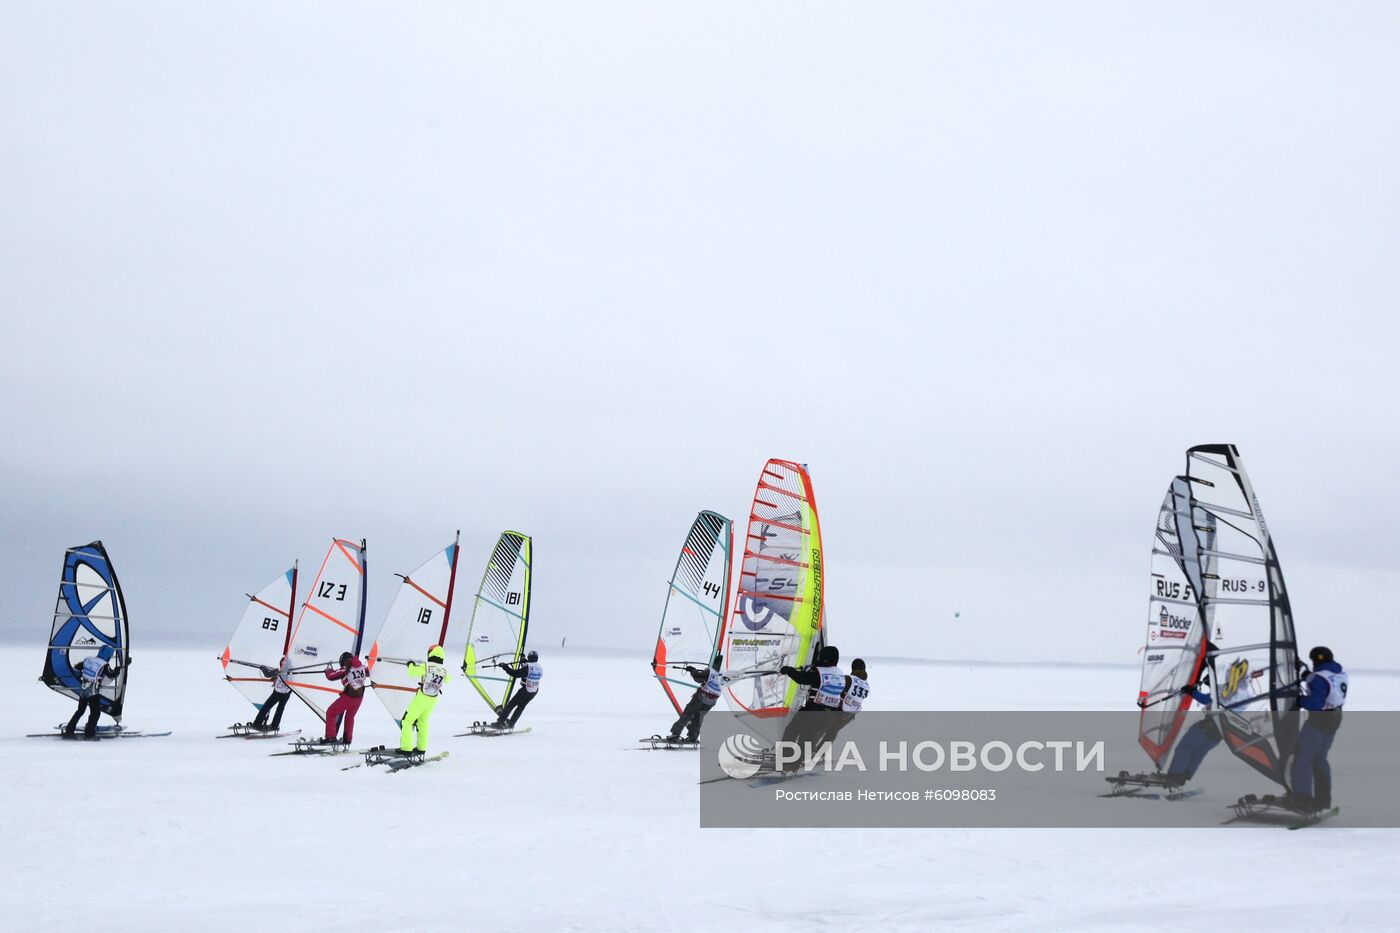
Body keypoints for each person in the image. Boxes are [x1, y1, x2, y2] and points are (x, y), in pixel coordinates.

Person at [1290, 646, 1347, 811]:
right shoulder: (1339, 672)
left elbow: (1316, 704)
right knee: (1319, 758)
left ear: (1315, 660)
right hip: (1335, 718)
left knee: (1302, 758)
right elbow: (1327, 682)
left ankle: (1303, 800)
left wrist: (1300, 700)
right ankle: (1323, 800)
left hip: (1319, 720)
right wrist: (1308, 676)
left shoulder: (1319, 678)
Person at [777, 645, 845, 767]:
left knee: (792, 732)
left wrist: (788, 670)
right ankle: (795, 763)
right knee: (806, 738)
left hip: (813, 712)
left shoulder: (819, 672)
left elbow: (803, 679)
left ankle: (785, 759)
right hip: (829, 715)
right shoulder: (839, 674)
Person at [1164, 652, 1221, 785]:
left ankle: (1174, 776)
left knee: (1185, 748)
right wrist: (1211, 684)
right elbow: (1217, 698)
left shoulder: (1224, 693)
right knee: (1197, 753)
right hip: (1218, 734)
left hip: (1208, 728)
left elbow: (1211, 699)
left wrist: (1191, 691)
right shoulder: (1239, 692)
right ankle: (1184, 776)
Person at [400, 645, 451, 755]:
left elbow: (412, 672)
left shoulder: (426, 666)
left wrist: (410, 665)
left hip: (422, 697)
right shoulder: (444, 670)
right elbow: (448, 679)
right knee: (423, 723)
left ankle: (406, 748)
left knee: (407, 721)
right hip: (433, 699)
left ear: (431, 653)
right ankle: (421, 748)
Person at [64, 646, 120, 739]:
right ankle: (90, 732)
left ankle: (70, 729)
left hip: (83, 690)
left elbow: (77, 668)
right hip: (93, 692)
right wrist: (120, 668)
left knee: (80, 710)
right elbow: (111, 674)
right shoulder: (104, 664)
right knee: (95, 712)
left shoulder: (88, 659)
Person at [667, 653, 724, 744]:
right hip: (712, 701)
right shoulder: (725, 674)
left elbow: (698, 677)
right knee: (698, 717)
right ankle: (693, 737)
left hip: (701, 697)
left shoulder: (711, 672)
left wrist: (692, 670)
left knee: (688, 714)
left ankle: (675, 734)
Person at [821, 657, 869, 745]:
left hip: (838, 710)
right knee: (833, 732)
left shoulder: (849, 679)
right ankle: (820, 753)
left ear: (853, 668)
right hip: (850, 715)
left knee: (820, 728)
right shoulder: (866, 685)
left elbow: (836, 688)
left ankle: (809, 750)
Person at [323, 651, 367, 745]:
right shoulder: (362, 666)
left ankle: (330, 737)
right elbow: (369, 672)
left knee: (331, 712)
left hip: (349, 697)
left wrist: (327, 670)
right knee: (350, 717)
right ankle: (347, 739)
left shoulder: (346, 668)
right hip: (359, 698)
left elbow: (331, 676)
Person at [492, 649, 541, 730]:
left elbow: (515, 674)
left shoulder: (527, 667)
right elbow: (527, 668)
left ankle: (500, 722)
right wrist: (523, 659)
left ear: (529, 658)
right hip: (533, 691)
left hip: (525, 690)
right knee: (520, 707)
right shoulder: (538, 667)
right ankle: (511, 723)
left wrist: (505, 667)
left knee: (511, 705)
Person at [252, 655, 293, 731]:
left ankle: (257, 724)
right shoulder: (292, 672)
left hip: (278, 693)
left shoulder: (279, 671)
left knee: (266, 707)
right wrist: (276, 678)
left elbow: (267, 674)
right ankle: (275, 725)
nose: (281, 666)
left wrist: (263, 668)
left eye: (282, 665)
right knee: (280, 709)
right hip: (286, 694)